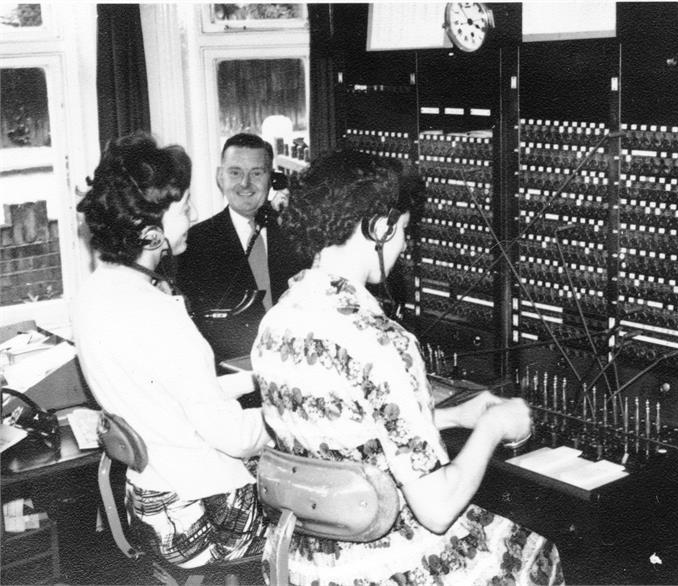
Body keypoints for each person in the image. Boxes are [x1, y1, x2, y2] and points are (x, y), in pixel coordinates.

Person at [250, 149, 565, 586]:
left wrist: (453, 416)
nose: (403, 245)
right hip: (382, 568)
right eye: (402, 232)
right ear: (379, 228)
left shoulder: (275, 323)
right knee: (540, 552)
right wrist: (494, 424)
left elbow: (349, 435)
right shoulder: (382, 341)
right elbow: (436, 512)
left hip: (302, 566)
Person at [72, 132, 269, 568]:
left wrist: (256, 382)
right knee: (338, 515)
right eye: (183, 208)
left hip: (148, 507)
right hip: (206, 519)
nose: (194, 215)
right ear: (149, 232)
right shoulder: (159, 314)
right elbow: (235, 439)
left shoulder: (92, 295)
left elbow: (168, 393)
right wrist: (289, 412)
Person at [175, 133, 302, 364]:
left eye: (256, 173)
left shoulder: (295, 234)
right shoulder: (193, 244)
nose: (245, 183)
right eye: (235, 172)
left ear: (272, 179)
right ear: (219, 177)